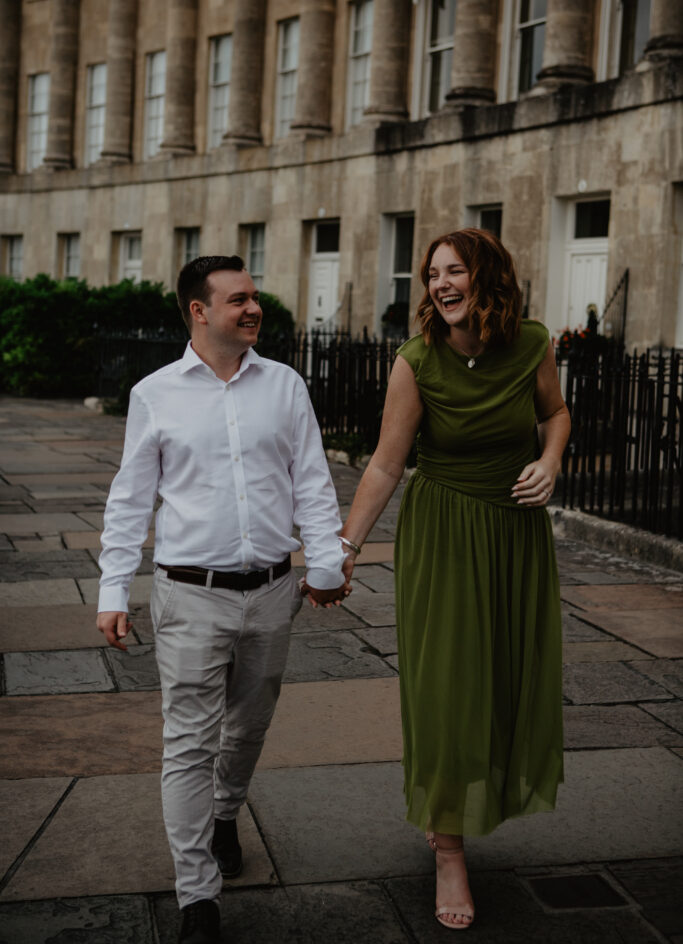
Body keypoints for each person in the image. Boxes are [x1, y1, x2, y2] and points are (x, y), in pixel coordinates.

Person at [96, 255, 347, 944]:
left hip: (272, 592)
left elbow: (312, 483)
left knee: (250, 724)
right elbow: (129, 500)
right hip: (189, 597)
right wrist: (113, 589)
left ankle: (226, 811)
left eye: (254, 296)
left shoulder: (285, 386)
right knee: (187, 744)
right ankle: (196, 896)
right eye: (237, 299)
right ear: (198, 311)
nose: (252, 307)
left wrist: (325, 563)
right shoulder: (155, 393)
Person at [339, 229, 570, 931]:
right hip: (443, 537)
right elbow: (384, 464)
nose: (439, 285)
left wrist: (550, 461)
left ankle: (470, 811)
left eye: (453, 271)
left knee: (503, 681)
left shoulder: (530, 344)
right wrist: (343, 548)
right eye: (431, 274)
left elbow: (553, 414)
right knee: (446, 691)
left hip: (513, 534)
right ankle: (447, 851)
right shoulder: (416, 362)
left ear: (486, 279)